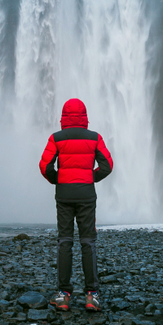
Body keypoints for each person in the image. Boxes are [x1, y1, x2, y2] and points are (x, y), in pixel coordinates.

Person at [39, 98, 114, 312]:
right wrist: (91, 178)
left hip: (64, 195)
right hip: (86, 195)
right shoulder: (95, 138)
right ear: (85, 116)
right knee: (88, 242)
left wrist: (58, 179)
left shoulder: (56, 138)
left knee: (65, 240)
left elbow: (45, 166)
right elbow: (107, 166)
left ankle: (63, 295)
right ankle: (92, 295)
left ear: (63, 116)